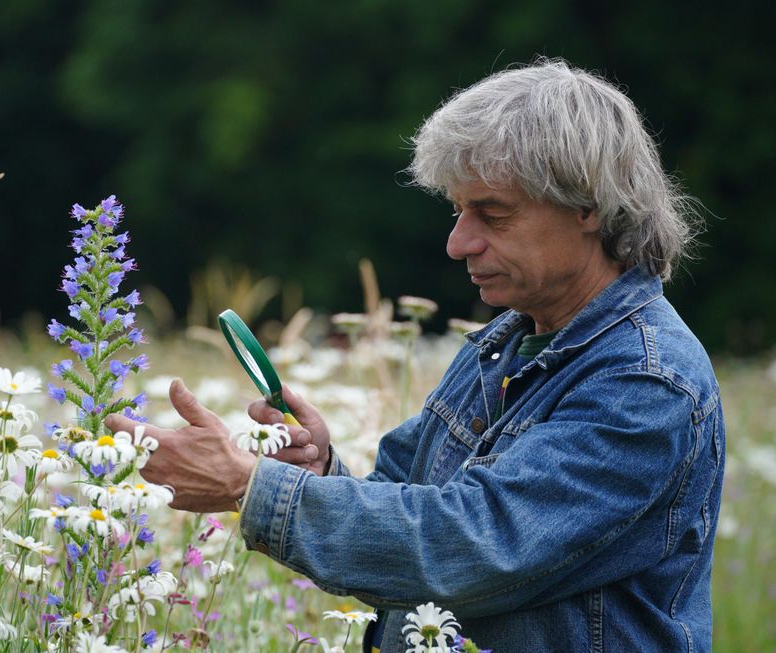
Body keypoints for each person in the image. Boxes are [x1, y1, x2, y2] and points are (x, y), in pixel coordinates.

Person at [107, 58, 724, 652]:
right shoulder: (505, 343)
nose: (459, 242)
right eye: (459, 211)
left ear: (588, 205)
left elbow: (472, 546)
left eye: (492, 213)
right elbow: (408, 508)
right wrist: (317, 473)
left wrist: (250, 486)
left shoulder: (644, 380)